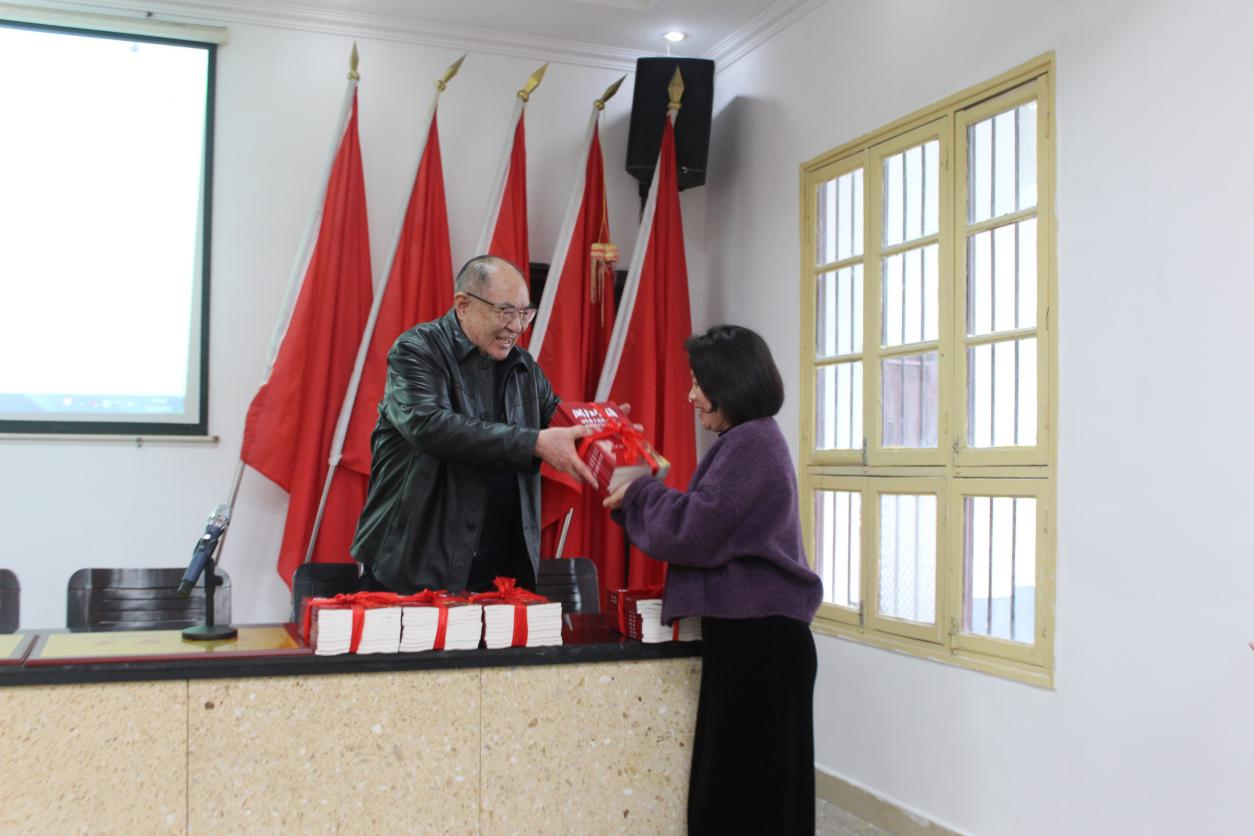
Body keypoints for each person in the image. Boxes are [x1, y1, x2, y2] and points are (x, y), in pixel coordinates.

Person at [603, 324, 822, 835]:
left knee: (742, 803)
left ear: (731, 385)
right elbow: (703, 523)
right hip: (757, 642)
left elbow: (695, 530)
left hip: (761, 647)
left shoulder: (751, 443)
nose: (691, 395)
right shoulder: (749, 439)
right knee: (748, 798)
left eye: (700, 383)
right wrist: (636, 495)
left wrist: (639, 493)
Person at [351, 255, 595, 594]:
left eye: (525, 313)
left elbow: (559, 419)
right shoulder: (417, 351)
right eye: (505, 311)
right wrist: (533, 443)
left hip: (499, 574)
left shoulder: (524, 367)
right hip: (414, 569)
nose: (517, 326)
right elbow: (430, 426)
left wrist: (605, 429)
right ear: (463, 305)